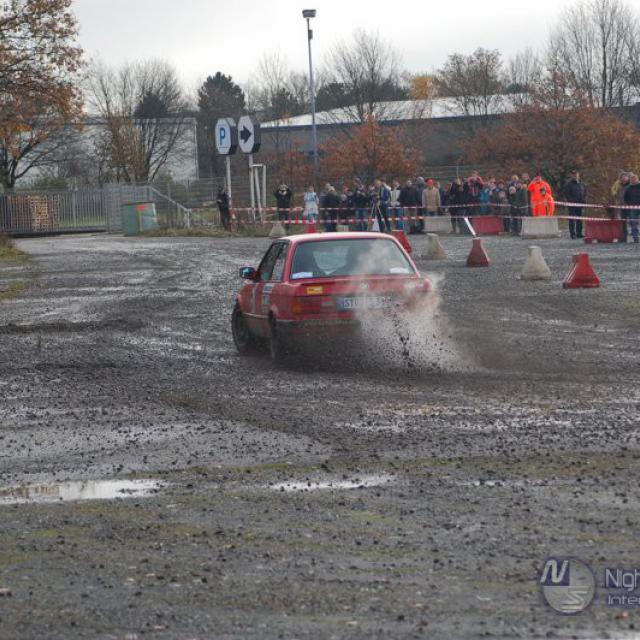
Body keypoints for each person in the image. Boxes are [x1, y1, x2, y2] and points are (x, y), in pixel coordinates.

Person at [564, 170, 587, 239]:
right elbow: (567, 194)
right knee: (572, 220)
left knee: (579, 219)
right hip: (572, 205)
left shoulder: (582, 184)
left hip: (580, 204)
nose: (575, 176)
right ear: (572, 176)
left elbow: (585, 192)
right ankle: (572, 234)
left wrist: (584, 201)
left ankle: (579, 233)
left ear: (578, 176)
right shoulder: (569, 185)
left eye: (576, 175)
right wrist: (571, 201)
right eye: (574, 175)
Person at [611, 172, 631, 241]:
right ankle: (623, 238)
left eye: (625, 177)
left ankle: (635, 238)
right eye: (622, 177)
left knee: (633, 221)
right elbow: (615, 193)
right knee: (623, 222)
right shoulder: (619, 186)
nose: (623, 179)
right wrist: (616, 198)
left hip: (630, 206)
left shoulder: (631, 185)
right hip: (621, 206)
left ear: (628, 178)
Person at [622, 173, 640, 243]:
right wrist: (629, 205)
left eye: (634, 179)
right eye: (632, 180)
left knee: (633, 222)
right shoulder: (628, 188)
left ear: (637, 179)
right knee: (633, 223)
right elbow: (625, 198)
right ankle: (636, 238)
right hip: (633, 208)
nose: (633, 181)